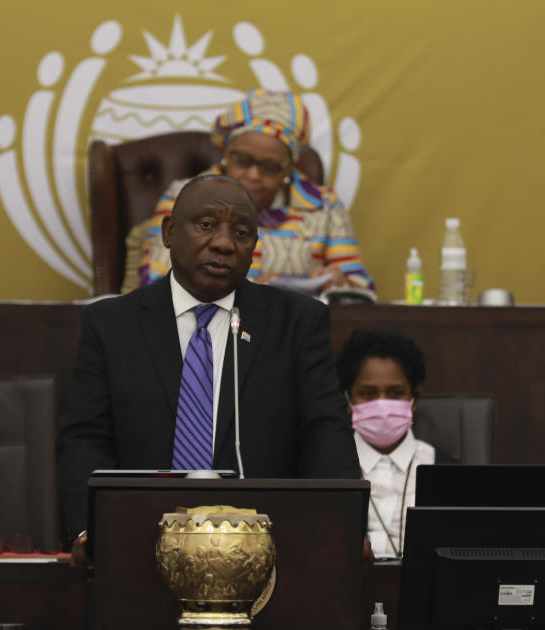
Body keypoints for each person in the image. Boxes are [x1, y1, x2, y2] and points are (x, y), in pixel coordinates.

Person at [57, 174, 360, 564]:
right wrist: (89, 530)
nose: (223, 243)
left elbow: (325, 432)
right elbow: (85, 437)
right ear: (168, 232)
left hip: (266, 551)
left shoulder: (296, 322)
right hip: (136, 546)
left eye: (241, 233)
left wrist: (344, 529)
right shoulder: (112, 324)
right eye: (206, 226)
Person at [136, 89, 375, 296]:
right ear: (226, 153)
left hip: (297, 333)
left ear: (288, 169)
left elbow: (361, 290)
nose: (252, 175)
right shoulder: (184, 196)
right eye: (242, 160)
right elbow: (157, 281)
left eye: (269, 167)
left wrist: (341, 284)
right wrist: (249, 292)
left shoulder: (324, 205)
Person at [336, 330, 455, 557]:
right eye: (368, 393)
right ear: (349, 400)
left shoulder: (446, 472)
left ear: (415, 399)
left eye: (395, 393)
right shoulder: (327, 469)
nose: (382, 404)